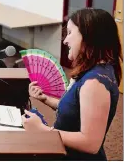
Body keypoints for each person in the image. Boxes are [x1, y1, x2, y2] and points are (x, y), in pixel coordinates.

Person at [22, 8, 122, 160]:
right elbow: (78, 110)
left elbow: (91, 143)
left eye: (69, 33)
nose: (65, 40)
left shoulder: (94, 82)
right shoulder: (96, 71)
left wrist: (42, 129)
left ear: (89, 36)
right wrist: (46, 100)